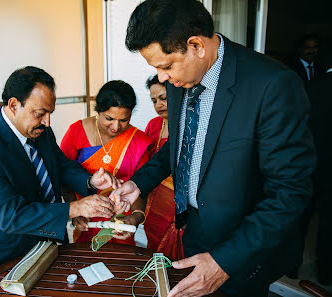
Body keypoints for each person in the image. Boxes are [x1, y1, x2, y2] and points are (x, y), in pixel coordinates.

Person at [112, 0, 316, 296]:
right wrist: (138, 184)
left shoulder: (272, 85)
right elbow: (180, 146)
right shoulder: (177, 80)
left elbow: (289, 192)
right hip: (193, 232)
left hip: (243, 248)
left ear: (196, 45)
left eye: (166, 65)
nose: (162, 77)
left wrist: (225, 262)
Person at [0, 66, 120, 274]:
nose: (47, 122)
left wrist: (90, 181)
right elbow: (11, 216)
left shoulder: (40, 130)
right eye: (40, 113)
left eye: (50, 113)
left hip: (47, 242)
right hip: (5, 256)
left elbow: (60, 165)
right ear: (14, 105)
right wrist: (76, 208)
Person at [60, 80, 151, 245]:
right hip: (85, 220)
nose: (116, 127)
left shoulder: (138, 141)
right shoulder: (76, 132)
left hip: (121, 221)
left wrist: (135, 217)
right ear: (98, 110)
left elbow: (141, 185)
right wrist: (74, 210)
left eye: (124, 120)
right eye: (109, 118)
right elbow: (62, 175)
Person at [143, 74, 184, 260]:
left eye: (163, 98)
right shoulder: (153, 125)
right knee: (153, 240)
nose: (158, 104)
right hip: (154, 198)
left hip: (177, 198)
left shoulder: (185, 124)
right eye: (154, 100)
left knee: (176, 245)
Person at [306, 61, 332, 286]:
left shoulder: (314, 86)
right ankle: (325, 273)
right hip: (324, 167)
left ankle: (291, 267)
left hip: (309, 164)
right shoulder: (312, 85)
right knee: (327, 222)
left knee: (301, 218)